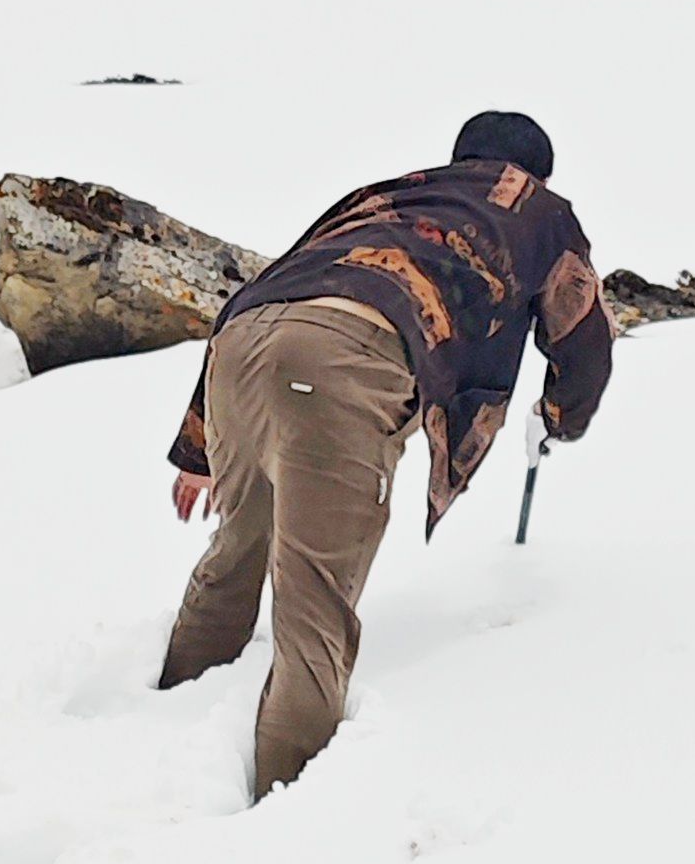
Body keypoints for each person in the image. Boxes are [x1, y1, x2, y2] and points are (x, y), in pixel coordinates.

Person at [158, 111, 615, 794]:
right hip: (345, 359)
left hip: (241, 345)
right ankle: (281, 813)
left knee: (237, 552)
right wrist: (559, 418)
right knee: (314, 607)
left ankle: (155, 731)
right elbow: (581, 333)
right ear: (537, 172)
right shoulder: (540, 210)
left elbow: (279, 286)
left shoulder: (387, 194)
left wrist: (201, 446)